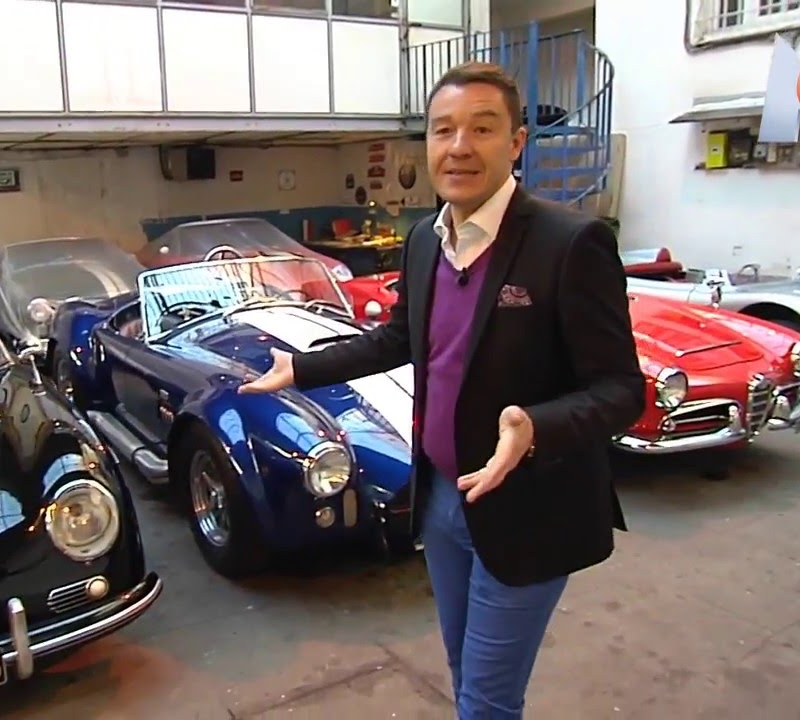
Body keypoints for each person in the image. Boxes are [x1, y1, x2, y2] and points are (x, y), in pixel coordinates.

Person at [239, 60, 645, 718]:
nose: (459, 147)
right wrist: (303, 368)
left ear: (516, 142)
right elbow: (398, 340)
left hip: (530, 509)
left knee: (486, 701)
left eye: (482, 129)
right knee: (463, 670)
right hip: (441, 501)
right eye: (443, 130)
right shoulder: (425, 242)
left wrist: (535, 428)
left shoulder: (570, 244)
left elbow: (622, 390)